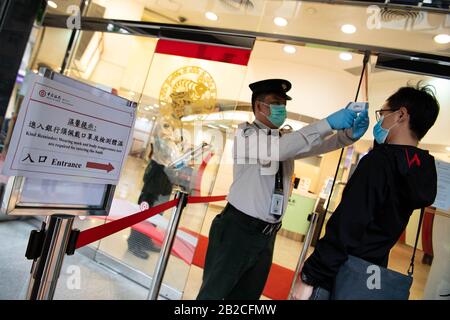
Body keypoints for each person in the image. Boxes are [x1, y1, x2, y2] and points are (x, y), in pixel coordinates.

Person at [196, 78, 369, 300]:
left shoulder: (282, 138)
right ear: (259, 106)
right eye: (276, 102)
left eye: (284, 104)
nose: (282, 108)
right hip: (238, 230)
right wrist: (327, 123)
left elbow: (315, 145)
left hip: (267, 234)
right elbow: (277, 151)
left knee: (247, 297)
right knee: (213, 295)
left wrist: (347, 136)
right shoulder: (246, 135)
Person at [296, 84, 440, 300]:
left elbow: (347, 225)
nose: (380, 120)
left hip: (339, 273)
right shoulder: (422, 170)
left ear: (400, 115)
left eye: (383, 113)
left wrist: (310, 276)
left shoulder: (378, 162)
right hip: (371, 275)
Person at [127, 144, 173, 259]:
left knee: (155, 218)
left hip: (165, 182)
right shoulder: (164, 133)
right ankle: (134, 244)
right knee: (143, 216)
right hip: (154, 183)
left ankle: (145, 241)